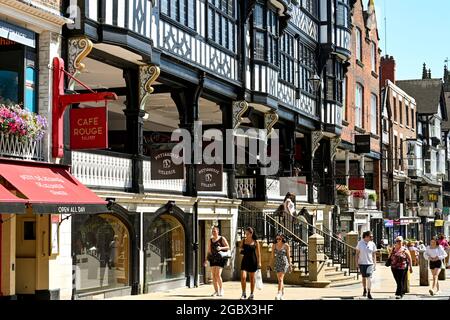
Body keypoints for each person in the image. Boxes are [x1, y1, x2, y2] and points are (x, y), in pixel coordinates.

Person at [205, 226, 230, 297]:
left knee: (218, 275)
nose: (213, 232)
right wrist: (206, 259)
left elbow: (228, 247)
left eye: (214, 231)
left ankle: (221, 289)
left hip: (220, 259)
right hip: (213, 259)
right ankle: (216, 291)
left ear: (218, 232)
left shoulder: (222, 238)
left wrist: (221, 248)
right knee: (213, 275)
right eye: (212, 231)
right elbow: (209, 250)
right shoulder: (210, 240)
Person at [240, 227, 261, 300]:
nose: (246, 235)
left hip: (253, 261)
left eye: (248, 233)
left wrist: (259, 262)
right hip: (245, 260)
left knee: (252, 278)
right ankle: (243, 293)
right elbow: (240, 249)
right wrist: (241, 250)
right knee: (243, 277)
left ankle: (251, 294)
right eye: (245, 233)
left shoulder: (256, 242)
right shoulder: (243, 240)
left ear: (251, 233)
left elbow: (258, 253)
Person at [269, 233, 292, 300]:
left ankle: (278, 293)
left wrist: (290, 265)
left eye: (279, 238)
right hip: (277, 263)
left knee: (280, 279)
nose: (278, 240)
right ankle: (282, 293)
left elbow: (288, 256)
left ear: (282, 238)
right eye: (277, 239)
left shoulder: (286, 245)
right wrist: (269, 264)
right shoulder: (274, 245)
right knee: (280, 279)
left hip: (284, 263)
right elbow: (272, 256)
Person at [355, 231, 377, 299]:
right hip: (362, 263)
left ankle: (369, 292)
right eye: (370, 236)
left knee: (369, 278)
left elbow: (374, 254)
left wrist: (375, 264)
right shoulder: (360, 243)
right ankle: (364, 290)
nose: (372, 237)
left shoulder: (372, 244)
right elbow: (357, 254)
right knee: (364, 277)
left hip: (370, 263)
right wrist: (356, 263)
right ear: (366, 236)